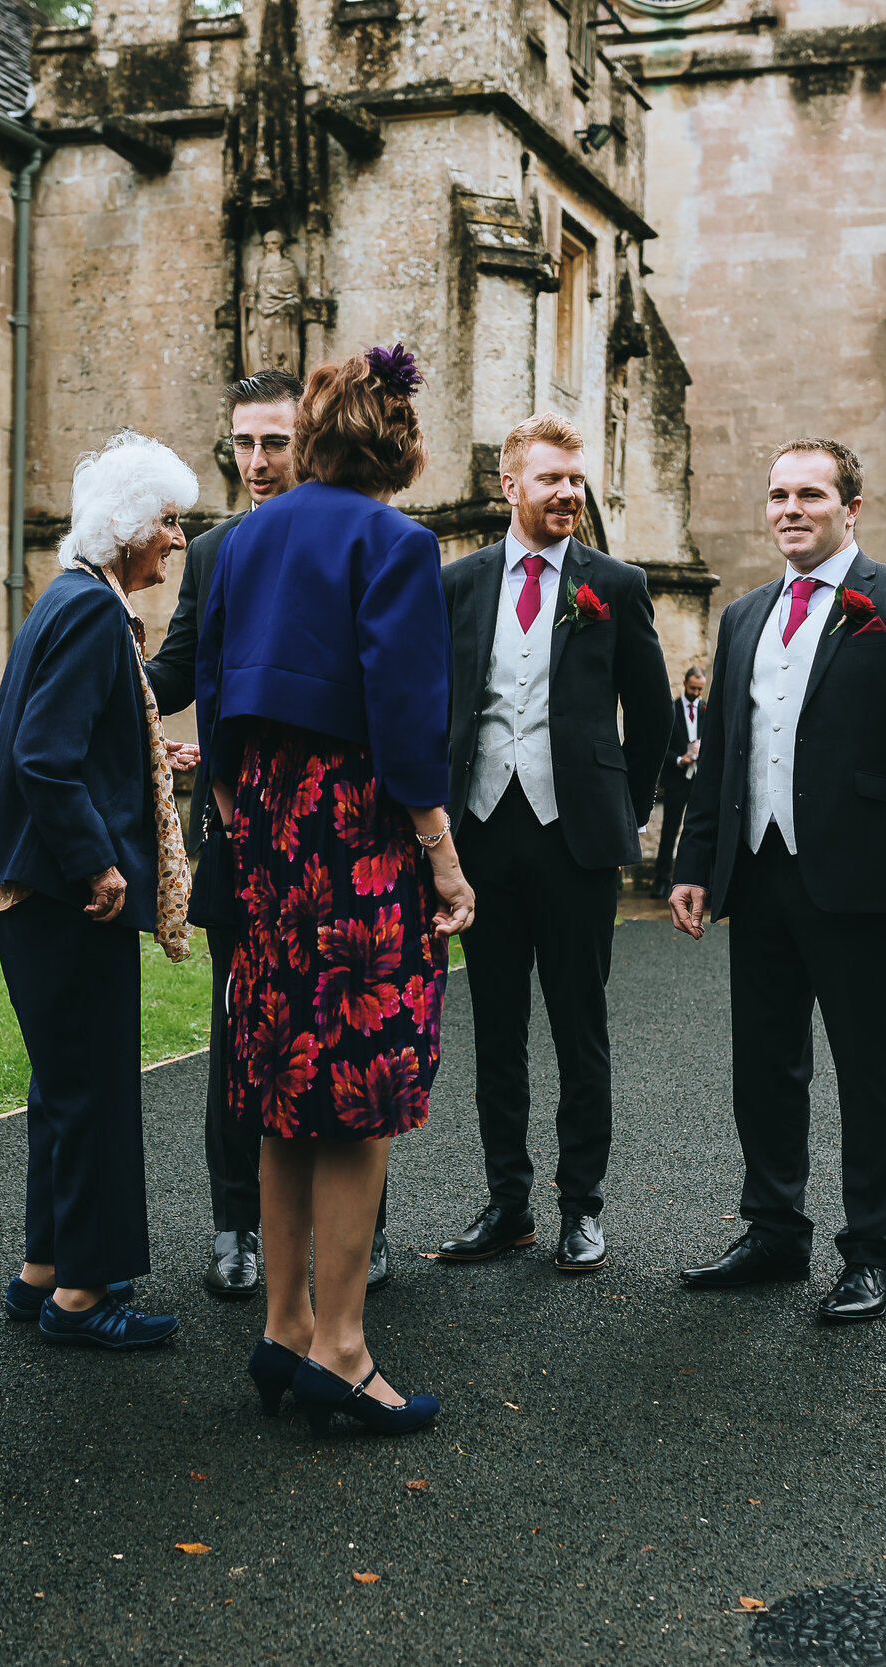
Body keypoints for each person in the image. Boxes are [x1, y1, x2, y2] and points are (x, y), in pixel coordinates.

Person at [195, 345, 475, 1435]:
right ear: (396, 442)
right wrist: (441, 852)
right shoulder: (396, 541)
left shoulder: (244, 538)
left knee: (279, 1080)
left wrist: (234, 804)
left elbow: (214, 693)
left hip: (266, 819)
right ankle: (344, 1348)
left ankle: (281, 1327)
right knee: (358, 1092)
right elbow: (406, 715)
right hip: (356, 824)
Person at [667, 439, 886, 1316]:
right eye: (777, 496)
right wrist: (695, 863)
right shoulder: (745, 616)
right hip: (756, 875)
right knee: (764, 1064)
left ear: (851, 508)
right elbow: (723, 749)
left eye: (809, 494)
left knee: (871, 1068)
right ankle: (772, 1231)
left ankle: (874, 1249)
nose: (790, 509)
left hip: (862, 876)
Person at [144, 371, 394, 1302]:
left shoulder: (361, 535)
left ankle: (355, 1236)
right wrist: (91, 640)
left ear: (311, 440)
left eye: (274, 443)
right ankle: (235, 1226)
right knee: (240, 1034)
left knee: (353, 1029)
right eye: (242, 445)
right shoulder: (213, 553)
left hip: (344, 837)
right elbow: (176, 668)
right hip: (243, 836)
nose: (255, 463)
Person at [0, 431, 197, 1351]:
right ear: (130, 530)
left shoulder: (67, 600)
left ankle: (44, 1269)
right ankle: (85, 1296)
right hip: (65, 893)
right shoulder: (94, 614)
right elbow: (43, 759)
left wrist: (145, 756)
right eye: (167, 522)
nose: (176, 540)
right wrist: (100, 862)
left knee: (63, 1083)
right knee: (92, 1083)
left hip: (32, 889)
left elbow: (65, 740)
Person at [435, 413, 669, 1275]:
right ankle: (507, 1203)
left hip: (575, 844)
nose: (569, 493)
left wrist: (619, 813)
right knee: (494, 1027)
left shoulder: (618, 583)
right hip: (481, 836)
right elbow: (436, 708)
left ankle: (581, 1208)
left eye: (577, 480)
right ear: (511, 485)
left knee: (580, 1028)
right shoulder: (457, 584)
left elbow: (649, 720)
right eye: (551, 479)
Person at [649, 666, 705, 898]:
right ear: (684, 684)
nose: (696, 692)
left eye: (700, 689)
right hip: (676, 779)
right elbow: (660, 746)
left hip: (699, 781)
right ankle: (662, 881)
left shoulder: (707, 709)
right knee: (670, 832)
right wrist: (680, 758)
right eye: (693, 688)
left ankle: (700, 882)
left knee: (699, 832)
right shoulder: (670, 710)